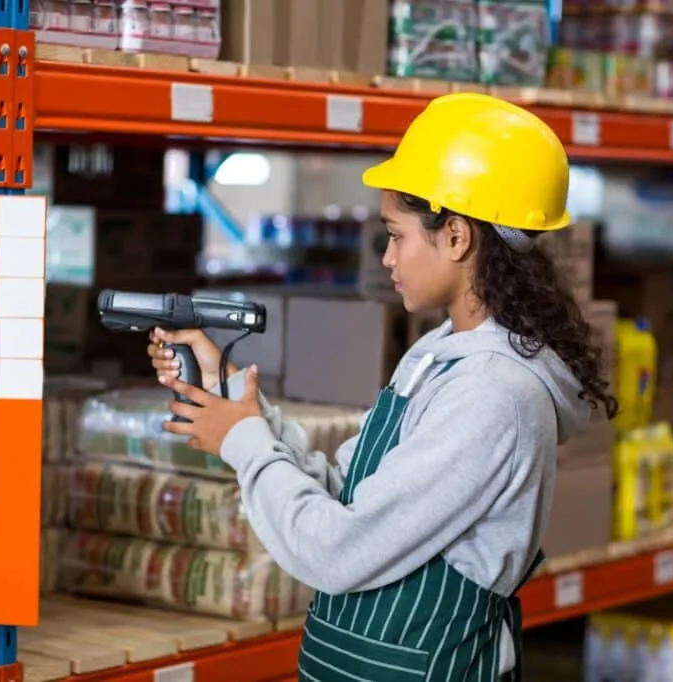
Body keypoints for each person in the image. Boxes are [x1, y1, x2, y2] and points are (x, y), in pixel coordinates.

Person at [147, 93, 617, 681]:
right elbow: (350, 494)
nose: (388, 256)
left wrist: (244, 442)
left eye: (395, 234)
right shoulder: (439, 355)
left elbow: (335, 549)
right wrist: (233, 396)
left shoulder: (494, 395)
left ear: (456, 236)